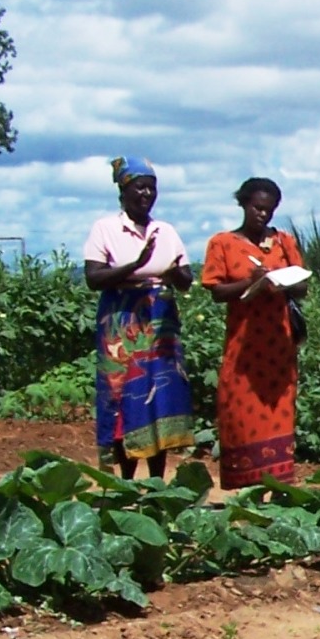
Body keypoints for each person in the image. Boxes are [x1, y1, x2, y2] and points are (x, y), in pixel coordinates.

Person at [82, 156, 196, 480]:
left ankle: (158, 481)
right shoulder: (105, 228)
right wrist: (136, 265)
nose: (146, 194)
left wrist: (172, 272)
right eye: (139, 187)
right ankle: (125, 482)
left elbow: (186, 278)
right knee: (123, 399)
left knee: (159, 399)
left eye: (151, 188)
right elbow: (94, 278)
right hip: (121, 324)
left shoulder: (166, 231)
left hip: (161, 326)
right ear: (123, 191)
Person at [203, 177, 305, 489]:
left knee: (278, 409)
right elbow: (217, 291)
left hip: (277, 344)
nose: (263, 215)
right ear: (244, 205)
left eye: (269, 210)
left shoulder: (284, 243)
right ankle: (246, 484)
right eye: (257, 208)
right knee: (239, 409)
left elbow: (301, 286)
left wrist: (278, 281)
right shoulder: (222, 243)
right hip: (244, 344)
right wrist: (251, 282)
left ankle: (276, 484)